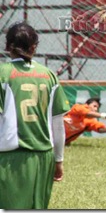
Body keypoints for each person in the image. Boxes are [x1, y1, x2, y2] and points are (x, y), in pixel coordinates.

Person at [0, 22, 70, 209]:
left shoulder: (2, 74)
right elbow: (58, 125)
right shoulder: (49, 75)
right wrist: (58, 160)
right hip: (43, 158)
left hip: (9, 157)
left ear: (7, 46)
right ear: (34, 47)